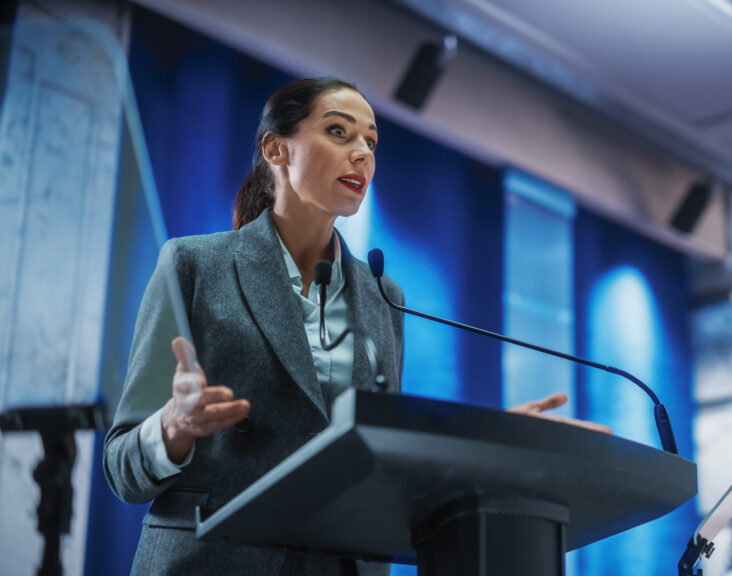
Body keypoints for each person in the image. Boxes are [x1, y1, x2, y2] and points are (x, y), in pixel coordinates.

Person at [104, 77, 609, 576]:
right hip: (213, 561)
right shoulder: (193, 265)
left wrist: (500, 440)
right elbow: (122, 467)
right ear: (276, 149)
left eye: (371, 141)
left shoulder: (385, 297)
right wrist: (173, 428)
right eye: (339, 132)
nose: (363, 153)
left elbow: (383, 455)